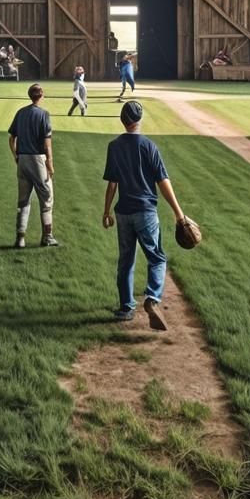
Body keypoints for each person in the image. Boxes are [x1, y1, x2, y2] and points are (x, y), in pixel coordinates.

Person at [102, 101, 187, 330]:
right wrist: (179, 214)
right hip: (145, 212)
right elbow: (162, 181)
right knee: (157, 257)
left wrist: (106, 211)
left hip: (123, 212)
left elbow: (112, 184)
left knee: (126, 260)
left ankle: (126, 308)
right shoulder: (149, 146)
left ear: (123, 120)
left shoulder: (114, 146)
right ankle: (152, 299)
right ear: (139, 120)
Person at [8, 83, 58, 248]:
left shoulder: (21, 113)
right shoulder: (44, 114)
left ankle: (20, 238)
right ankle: (47, 237)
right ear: (41, 96)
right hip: (37, 160)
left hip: (22, 160)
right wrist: (50, 164)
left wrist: (16, 156)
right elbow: (47, 143)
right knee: (47, 198)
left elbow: (11, 139)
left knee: (23, 201)